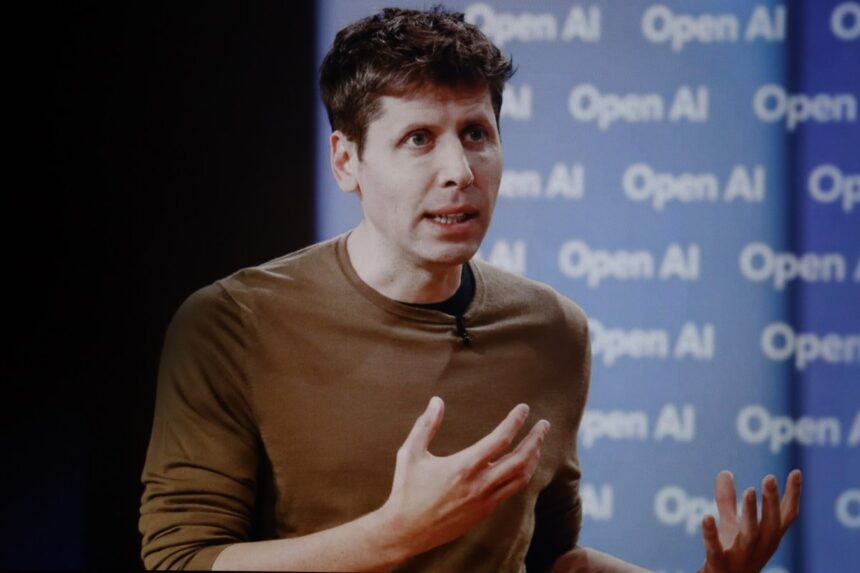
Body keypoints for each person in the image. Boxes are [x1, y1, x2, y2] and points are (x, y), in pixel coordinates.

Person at [139, 7, 801, 572]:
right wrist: (394, 533)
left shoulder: (554, 329)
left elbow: (550, 561)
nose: (459, 170)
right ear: (346, 160)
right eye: (419, 139)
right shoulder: (230, 324)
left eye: (476, 134)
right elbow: (182, 559)